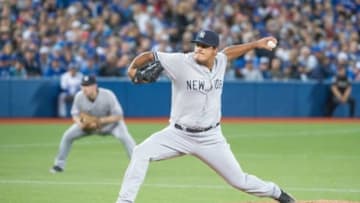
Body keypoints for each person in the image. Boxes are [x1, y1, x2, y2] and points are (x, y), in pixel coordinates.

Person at [115, 30, 295, 203]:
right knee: (141, 152)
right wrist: (132, 69)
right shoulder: (180, 61)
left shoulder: (221, 61)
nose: (199, 48)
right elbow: (149, 56)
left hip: (211, 138)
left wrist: (256, 44)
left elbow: (229, 52)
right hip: (178, 134)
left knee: (240, 181)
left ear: (214, 50)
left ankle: (277, 193)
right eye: (197, 44)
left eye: (205, 46)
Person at [50, 75, 136, 173]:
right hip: (89, 127)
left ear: (94, 86)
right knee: (67, 136)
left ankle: (137, 164)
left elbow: (118, 116)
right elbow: (75, 114)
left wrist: (98, 121)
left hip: (111, 126)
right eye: (83, 85)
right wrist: (80, 124)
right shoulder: (79, 96)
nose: (84, 88)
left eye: (87, 85)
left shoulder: (107, 95)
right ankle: (59, 165)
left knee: (125, 137)